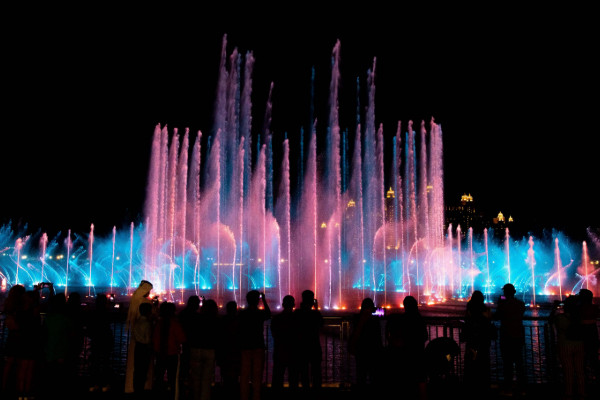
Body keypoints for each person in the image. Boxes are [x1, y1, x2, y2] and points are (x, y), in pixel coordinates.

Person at [384, 295, 428, 400]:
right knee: (420, 382)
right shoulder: (420, 319)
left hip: (406, 357)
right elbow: (425, 336)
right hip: (419, 356)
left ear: (405, 306)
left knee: (407, 383)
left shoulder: (403, 319)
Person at [551, 294, 586, 399]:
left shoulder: (561, 318)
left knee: (568, 370)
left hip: (565, 345)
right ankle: (582, 392)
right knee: (580, 370)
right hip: (579, 344)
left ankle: (569, 392)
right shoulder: (580, 318)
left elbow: (551, 320)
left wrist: (554, 308)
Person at [460, 290, 494, 398]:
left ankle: (470, 387)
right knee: (483, 363)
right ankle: (483, 387)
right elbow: (489, 322)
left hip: (472, 341)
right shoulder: (486, 310)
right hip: (484, 341)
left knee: (471, 363)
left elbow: (467, 323)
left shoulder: (470, 310)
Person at [238, 290, 271, 400]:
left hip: (245, 347)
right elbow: (268, 314)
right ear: (258, 301)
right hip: (258, 346)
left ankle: (244, 397)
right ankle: (256, 397)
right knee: (257, 376)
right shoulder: (259, 314)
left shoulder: (242, 314)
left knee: (244, 375)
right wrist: (264, 300)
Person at [494, 283, 526, 396]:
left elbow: (497, 316)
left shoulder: (504, 305)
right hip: (518, 336)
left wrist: (500, 303)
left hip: (506, 336)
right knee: (519, 363)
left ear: (505, 292)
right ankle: (521, 388)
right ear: (514, 292)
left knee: (507, 364)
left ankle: (508, 388)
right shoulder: (521, 304)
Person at [124, 279, 154, 394]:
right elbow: (153, 316)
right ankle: (144, 386)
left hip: (135, 336)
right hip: (145, 340)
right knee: (144, 366)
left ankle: (131, 386)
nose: (149, 293)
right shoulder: (145, 302)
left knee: (134, 363)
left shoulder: (135, 300)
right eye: (149, 291)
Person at [348, 297, 383, 394]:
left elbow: (355, 334)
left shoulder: (358, 319)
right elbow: (378, 338)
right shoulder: (373, 321)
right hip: (372, 353)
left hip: (361, 353)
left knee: (361, 377)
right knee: (373, 378)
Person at [187, 298, 220, 400]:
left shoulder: (196, 318)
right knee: (206, 379)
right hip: (209, 350)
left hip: (196, 349)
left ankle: (195, 397)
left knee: (196, 378)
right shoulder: (216, 320)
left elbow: (190, 333)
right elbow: (218, 337)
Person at [153, 301, 186, 400]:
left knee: (159, 377)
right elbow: (182, 338)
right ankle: (172, 396)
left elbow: (155, 339)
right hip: (172, 354)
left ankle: (158, 394)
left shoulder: (159, 324)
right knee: (173, 378)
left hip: (160, 354)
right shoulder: (175, 324)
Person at [294, 289, 323, 394]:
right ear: (312, 300)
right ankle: (316, 392)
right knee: (316, 372)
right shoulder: (315, 314)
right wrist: (316, 308)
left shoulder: (297, 313)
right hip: (314, 346)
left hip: (301, 346)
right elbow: (321, 324)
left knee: (303, 372)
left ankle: (305, 392)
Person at [270, 295, 299, 396]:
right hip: (293, 352)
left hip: (280, 351)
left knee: (278, 377)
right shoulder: (297, 319)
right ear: (293, 305)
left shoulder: (276, 319)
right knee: (294, 378)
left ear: (283, 304)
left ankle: (276, 395)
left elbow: (274, 334)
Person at [86, 293, 115, 392]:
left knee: (95, 362)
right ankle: (104, 384)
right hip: (105, 340)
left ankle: (93, 384)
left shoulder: (93, 313)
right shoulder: (107, 313)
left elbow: (89, 327)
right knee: (105, 362)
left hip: (96, 340)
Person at [217, 300, 241, 399]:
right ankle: (234, 394)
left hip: (225, 353)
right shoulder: (239, 321)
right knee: (235, 376)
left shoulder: (222, 320)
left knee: (226, 376)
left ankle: (226, 394)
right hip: (236, 352)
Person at [133, 302, 154, 398]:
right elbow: (148, 339)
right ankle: (141, 390)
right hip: (145, 348)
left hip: (137, 347)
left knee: (137, 369)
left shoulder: (137, 322)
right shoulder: (147, 324)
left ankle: (136, 390)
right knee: (143, 370)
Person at [578, 288, 599, 383]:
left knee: (582, 360)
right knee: (594, 358)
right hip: (593, 335)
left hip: (582, 336)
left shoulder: (579, 309)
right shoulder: (595, 308)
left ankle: (583, 380)